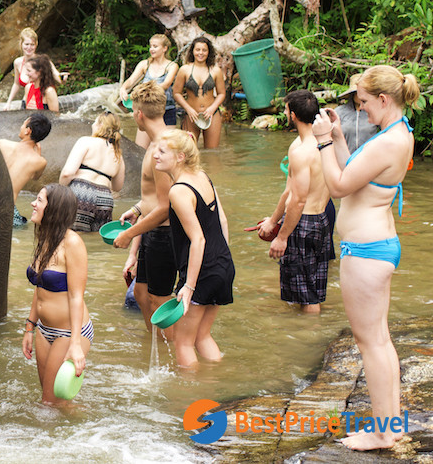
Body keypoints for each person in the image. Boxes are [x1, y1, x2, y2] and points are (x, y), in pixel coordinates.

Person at [312, 65, 418, 451]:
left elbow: (339, 184)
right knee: (379, 341)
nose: (362, 110)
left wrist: (322, 142)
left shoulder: (387, 142)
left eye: (365, 103)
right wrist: (339, 138)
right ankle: (392, 425)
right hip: (377, 246)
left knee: (370, 343)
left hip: (367, 251)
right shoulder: (397, 131)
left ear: (384, 100)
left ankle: (383, 433)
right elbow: (354, 170)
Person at [155, 130, 234, 368]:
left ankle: (189, 397)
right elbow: (223, 221)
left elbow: (197, 240)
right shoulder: (202, 176)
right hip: (221, 265)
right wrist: (222, 260)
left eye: (161, 151)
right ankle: (216, 382)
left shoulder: (179, 190)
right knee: (202, 336)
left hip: (200, 272)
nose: (155, 155)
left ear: (179, 157)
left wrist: (189, 286)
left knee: (183, 342)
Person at [251, 91, 334, 312]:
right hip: (322, 219)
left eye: (286, 110)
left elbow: (295, 198)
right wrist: (273, 220)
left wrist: (282, 236)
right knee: (312, 290)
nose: (285, 113)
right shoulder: (328, 142)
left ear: (293, 115)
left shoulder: (300, 150)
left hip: (302, 223)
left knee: (306, 297)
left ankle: (308, 340)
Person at [112, 82, 176, 333]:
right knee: (140, 293)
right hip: (151, 227)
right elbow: (154, 195)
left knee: (158, 300)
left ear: (139, 114)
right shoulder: (157, 142)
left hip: (164, 233)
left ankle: (173, 352)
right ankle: (156, 347)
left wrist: (130, 234)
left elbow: (166, 206)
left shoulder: (162, 148)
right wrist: (138, 209)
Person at [22, 184, 92, 406]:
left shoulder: (72, 243)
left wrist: (75, 343)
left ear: (54, 209)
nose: (33, 204)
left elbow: (76, 296)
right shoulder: (45, 237)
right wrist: (29, 327)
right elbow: (40, 287)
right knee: (51, 399)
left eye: (40, 200)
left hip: (70, 332)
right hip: (44, 330)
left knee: (50, 402)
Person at [59, 112, 126, 233]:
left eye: (94, 122)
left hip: (81, 191)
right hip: (105, 198)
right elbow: (117, 186)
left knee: (70, 235)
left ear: (100, 125)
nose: (93, 125)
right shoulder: (118, 154)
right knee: (95, 240)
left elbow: (67, 173)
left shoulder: (86, 141)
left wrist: (61, 191)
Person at [119, 33, 179, 146]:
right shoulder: (144, 64)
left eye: (155, 46)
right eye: (151, 46)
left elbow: (165, 84)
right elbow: (131, 81)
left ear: (165, 48)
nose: (151, 49)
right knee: (141, 149)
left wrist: (141, 90)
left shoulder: (172, 66)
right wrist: (123, 88)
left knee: (166, 148)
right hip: (146, 110)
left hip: (167, 110)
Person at [0, 114, 51, 228]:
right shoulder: (40, 162)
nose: (21, 127)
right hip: (6, 207)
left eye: (23, 124)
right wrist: (38, 154)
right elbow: (35, 177)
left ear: (28, 130)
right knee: (22, 225)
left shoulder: (2, 144)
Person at [172, 36, 225, 149]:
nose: (201, 53)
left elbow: (221, 93)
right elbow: (176, 93)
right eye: (198, 50)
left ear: (209, 52)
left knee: (212, 153)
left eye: (204, 50)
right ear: (192, 51)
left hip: (212, 113)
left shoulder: (216, 70)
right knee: (188, 151)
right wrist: (188, 109)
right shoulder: (185, 70)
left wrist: (212, 108)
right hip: (191, 114)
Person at [5, 28, 67, 106]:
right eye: (26, 44)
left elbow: (56, 75)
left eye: (32, 44)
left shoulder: (43, 61)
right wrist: (8, 102)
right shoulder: (17, 62)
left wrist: (62, 78)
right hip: (27, 102)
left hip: (42, 102)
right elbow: (16, 84)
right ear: (21, 44)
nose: (29, 48)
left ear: (36, 44)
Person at [333, 72, 380, 153]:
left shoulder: (373, 112)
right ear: (352, 94)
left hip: (370, 158)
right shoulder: (339, 112)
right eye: (357, 93)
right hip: (345, 159)